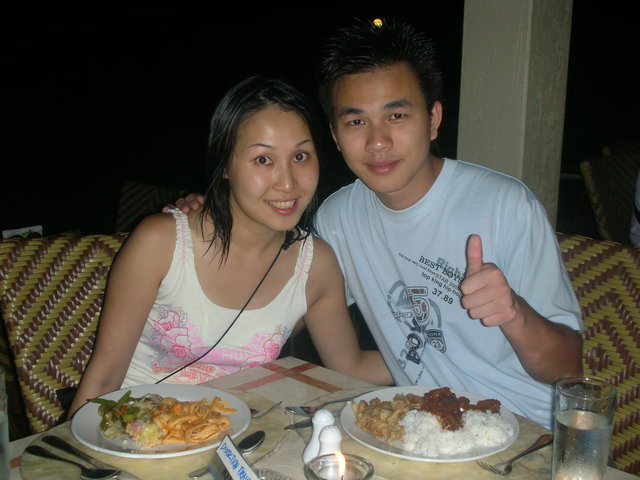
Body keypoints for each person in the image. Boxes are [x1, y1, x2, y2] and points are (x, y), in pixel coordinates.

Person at [169, 18, 583, 429]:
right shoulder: (338, 218)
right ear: (335, 135)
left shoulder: (505, 206)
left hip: (527, 431)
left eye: (396, 115)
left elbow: (567, 369)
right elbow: (279, 311)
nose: (377, 141)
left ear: (433, 118)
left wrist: (513, 313)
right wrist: (216, 222)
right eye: (356, 121)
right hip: (423, 427)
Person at [68, 76, 392, 418]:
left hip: (229, 434)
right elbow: (103, 380)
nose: (287, 183)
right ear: (225, 166)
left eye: (300, 156)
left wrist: (435, 358)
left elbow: (351, 367)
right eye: (263, 160)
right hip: (131, 428)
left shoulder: (316, 265)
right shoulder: (162, 243)